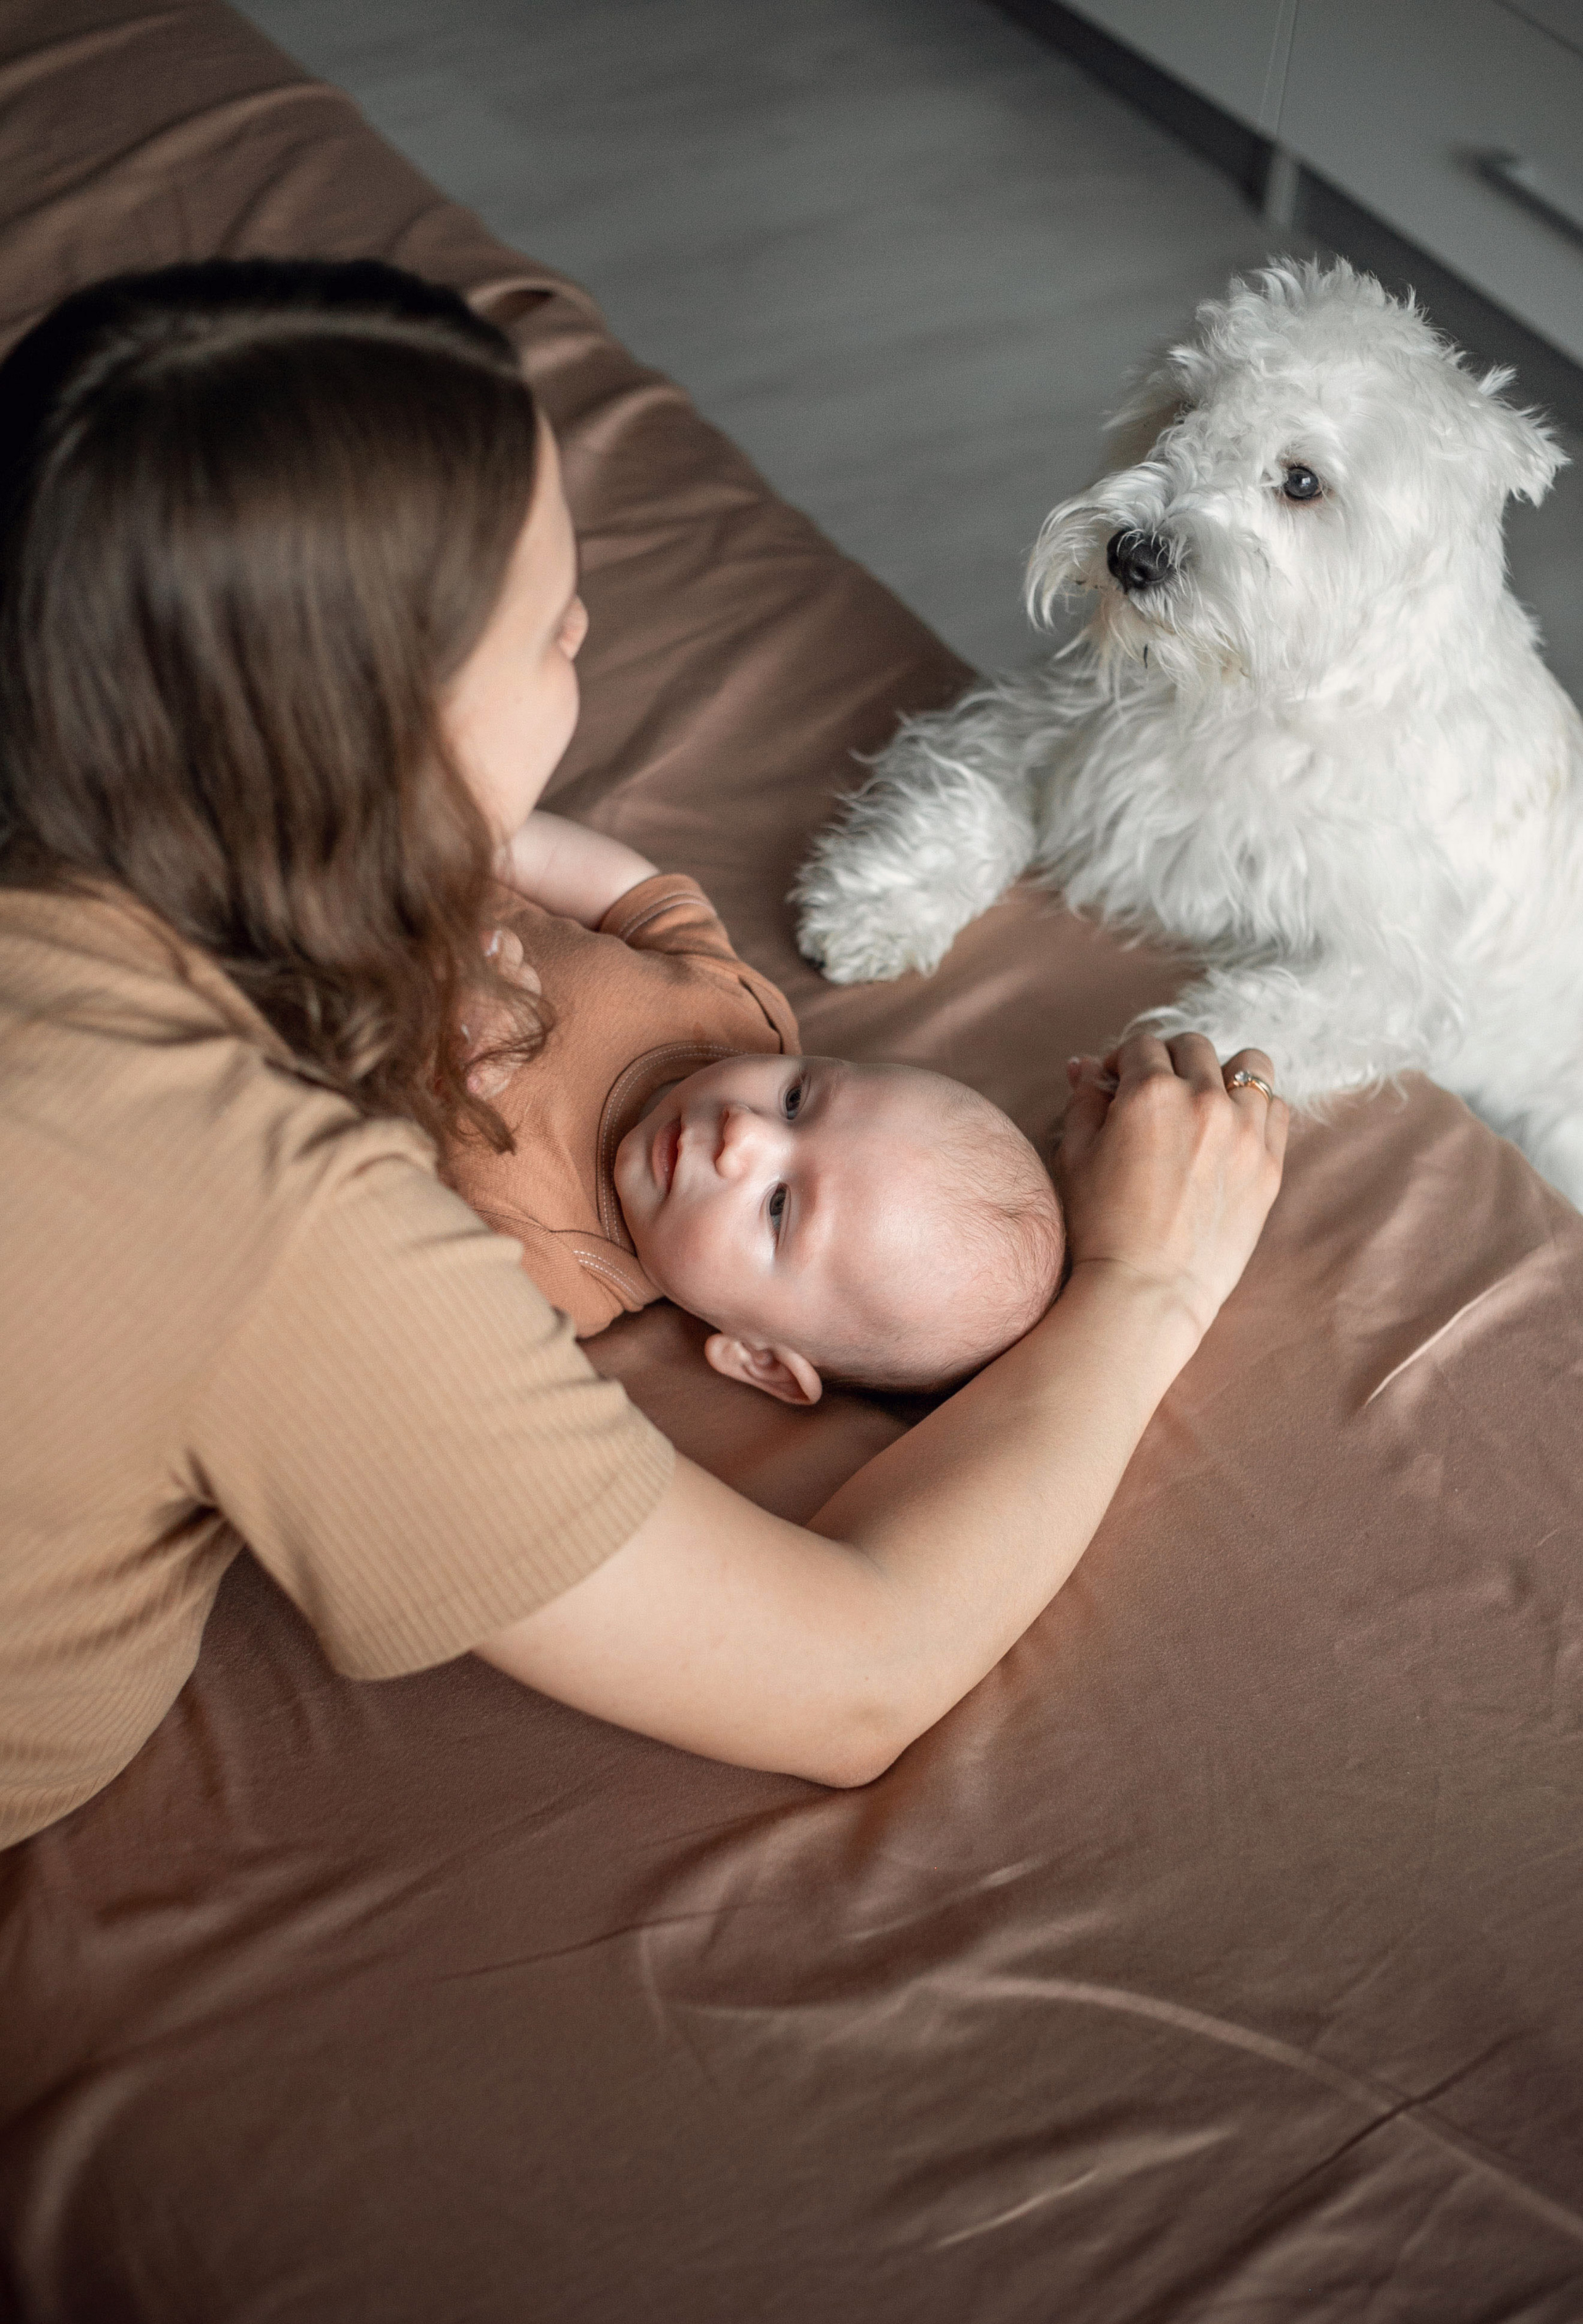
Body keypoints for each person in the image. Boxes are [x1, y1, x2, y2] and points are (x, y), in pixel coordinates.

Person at [0, 257, 1286, 1847]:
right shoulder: (273, 1206)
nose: (586, 628)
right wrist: (1143, 1287)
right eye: (550, 629)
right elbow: (852, 1673)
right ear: (384, 740)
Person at [445, 806, 1065, 1401]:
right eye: (797, 1099)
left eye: (777, 1208)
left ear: (759, 1358)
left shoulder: (552, 1277)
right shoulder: (736, 1019)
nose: (743, 1133)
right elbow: (628, 893)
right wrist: (474, 829)